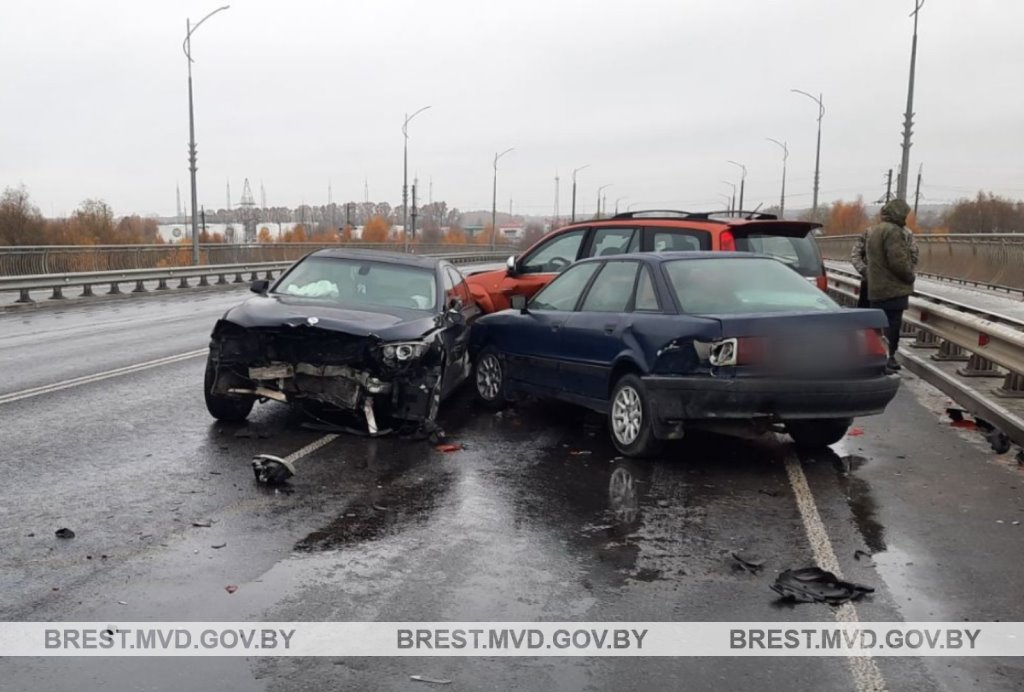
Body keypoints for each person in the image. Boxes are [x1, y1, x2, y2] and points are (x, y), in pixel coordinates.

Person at [865, 198, 918, 372]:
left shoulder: (876, 230)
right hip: (893, 289)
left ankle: (876, 357)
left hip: (877, 288)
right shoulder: (894, 231)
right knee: (892, 326)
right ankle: (888, 358)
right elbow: (898, 261)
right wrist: (910, 276)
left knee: (878, 326)